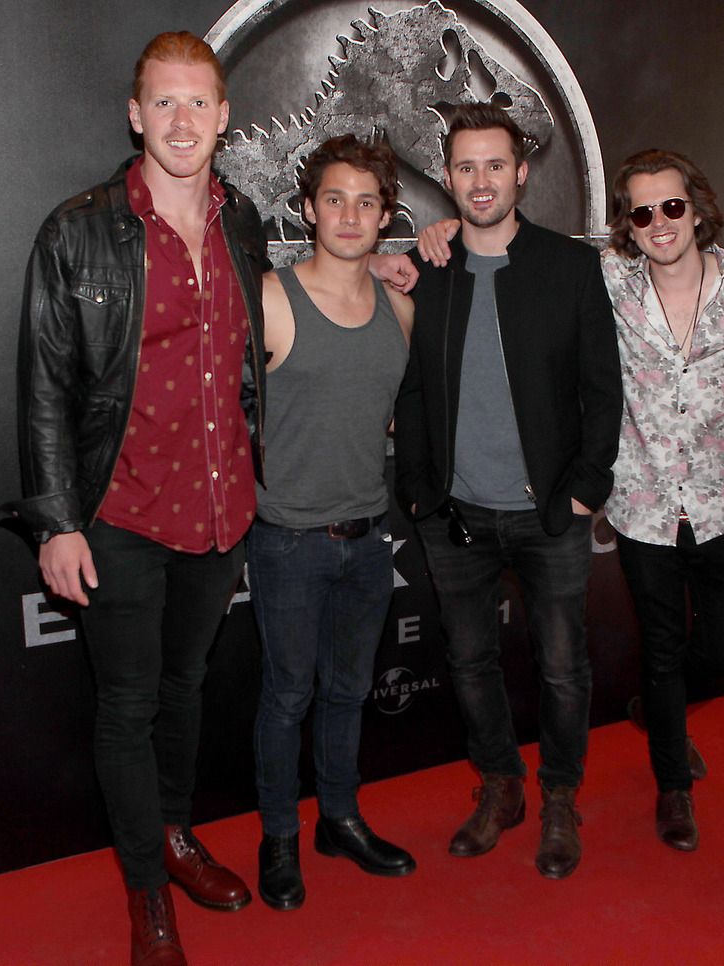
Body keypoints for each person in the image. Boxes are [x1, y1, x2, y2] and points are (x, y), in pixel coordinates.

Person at [3, 32, 267, 966]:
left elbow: (257, 348)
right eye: (164, 102)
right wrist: (57, 520)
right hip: (120, 514)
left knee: (185, 686)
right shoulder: (76, 230)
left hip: (221, 508)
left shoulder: (246, 221)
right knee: (125, 707)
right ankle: (147, 896)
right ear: (134, 113)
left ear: (225, 115)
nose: (182, 120)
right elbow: (44, 387)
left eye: (199, 102)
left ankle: (175, 830)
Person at [395, 103, 622, 879]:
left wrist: (586, 492)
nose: (481, 180)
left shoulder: (570, 266)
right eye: (465, 167)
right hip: (454, 516)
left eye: (495, 165)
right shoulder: (429, 267)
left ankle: (560, 794)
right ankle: (500, 785)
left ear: (522, 172)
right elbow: (415, 391)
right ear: (447, 177)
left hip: (551, 515)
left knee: (563, 667)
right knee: (469, 663)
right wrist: (422, 495)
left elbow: (603, 390)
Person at [248, 135, 415, 911]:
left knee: (348, 691)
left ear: (386, 216)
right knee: (289, 697)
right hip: (287, 541)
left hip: (368, 538)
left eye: (368, 201)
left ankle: (339, 819)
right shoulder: (270, 298)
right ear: (309, 209)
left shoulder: (401, 310)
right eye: (336, 199)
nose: (351, 215)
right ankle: (280, 835)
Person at [600, 150, 724, 852]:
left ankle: (658, 711)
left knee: (722, 648)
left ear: (696, 207)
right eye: (642, 212)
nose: (659, 223)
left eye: (671, 206)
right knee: (662, 649)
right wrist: (438, 238)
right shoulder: (611, 283)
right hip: (642, 504)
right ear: (628, 227)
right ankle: (673, 785)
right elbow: (523, 249)